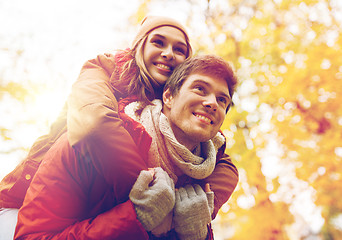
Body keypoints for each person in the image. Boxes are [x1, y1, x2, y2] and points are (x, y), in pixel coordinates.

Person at [1, 16, 238, 238]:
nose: (168, 54)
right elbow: (93, 124)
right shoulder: (104, 71)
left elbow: (221, 157)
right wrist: (149, 193)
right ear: (139, 47)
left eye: (179, 50)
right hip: (22, 201)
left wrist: (202, 212)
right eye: (158, 43)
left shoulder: (183, 123)